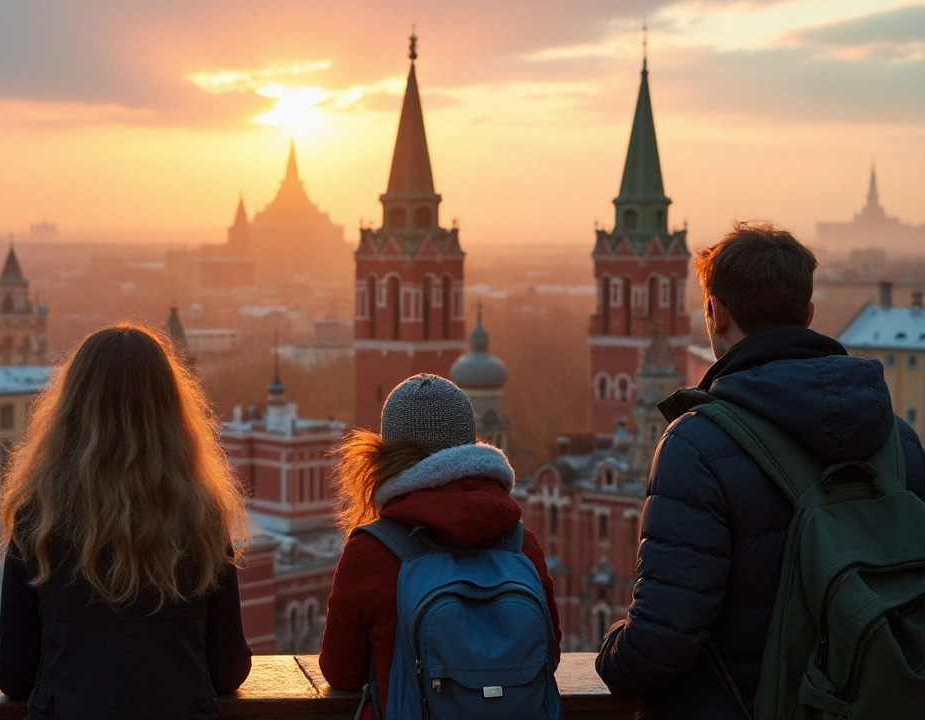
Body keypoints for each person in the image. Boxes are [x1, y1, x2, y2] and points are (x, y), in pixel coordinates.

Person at [596, 223, 925, 717]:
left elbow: (659, 642)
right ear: (809, 315)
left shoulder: (696, 444)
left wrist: (610, 655)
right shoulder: (897, 441)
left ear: (716, 312)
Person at [0, 324, 252, 719]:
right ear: (171, 411)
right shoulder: (201, 519)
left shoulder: (38, 521)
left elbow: (13, 674)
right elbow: (229, 669)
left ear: (71, 409)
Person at [320, 373, 563, 720]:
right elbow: (548, 655)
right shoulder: (521, 544)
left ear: (386, 454)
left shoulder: (372, 551)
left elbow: (340, 671)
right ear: (470, 445)